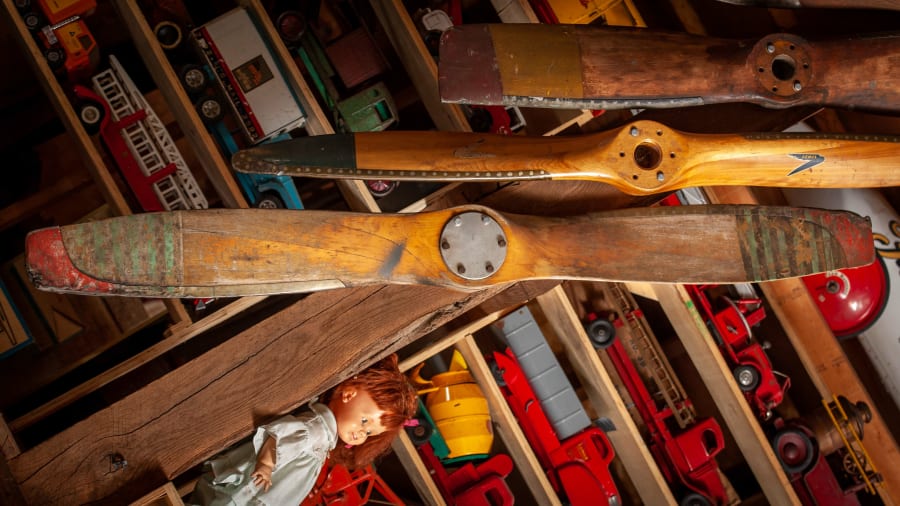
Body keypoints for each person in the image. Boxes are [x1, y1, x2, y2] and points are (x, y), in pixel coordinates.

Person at [189, 354, 418, 505]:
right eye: (365, 422)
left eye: (368, 433)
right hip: (253, 490)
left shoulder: (323, 438)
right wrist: (266, 465)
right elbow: (276, 435)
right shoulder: (314, 430)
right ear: (349, 393)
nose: (361, 433)